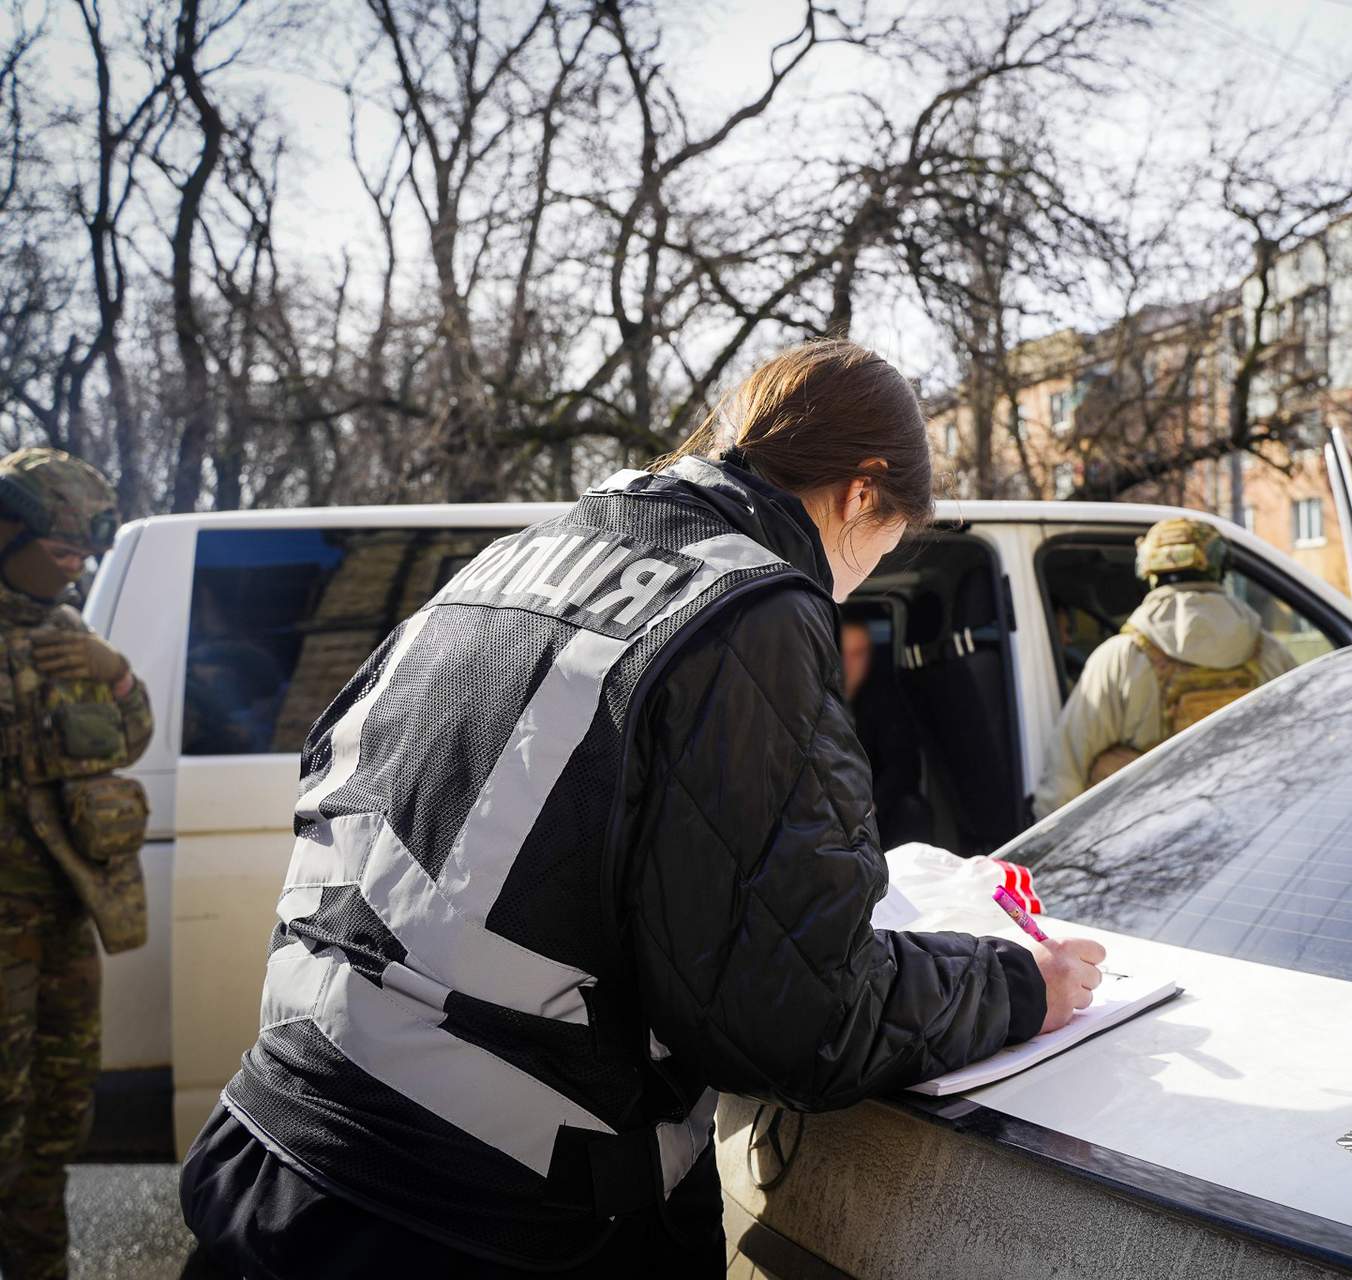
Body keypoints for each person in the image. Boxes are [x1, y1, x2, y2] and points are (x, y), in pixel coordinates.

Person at [178, 339, 1106, 1278]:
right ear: (864, 493)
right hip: (487, 1212)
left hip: (280, 1148)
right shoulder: (753, 607)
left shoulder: (510, 561)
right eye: (884, 548)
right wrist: (1022, 985)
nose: (856, 584)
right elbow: (797, 1015)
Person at [0, 448, 152, 1280]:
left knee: (58, 1115)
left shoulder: (66, 633)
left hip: (61, 918)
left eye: (81, 554)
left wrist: (119, 676)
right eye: (62, 550)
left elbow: (129, 739)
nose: (76, 566)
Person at [1034, 516, 1293, 817]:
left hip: (1149, 851)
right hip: (1254, 837)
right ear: (1220, 566)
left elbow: (1065, 776)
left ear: (1149, 571)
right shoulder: (1271, 654)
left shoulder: (1120, 658)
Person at [839, 617, 934, 847]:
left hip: (873, 806)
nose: (850, 662)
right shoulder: (811, 700)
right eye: (844, 653)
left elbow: (904, 764)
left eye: (859, 653)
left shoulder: (884, 703)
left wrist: (872, 802)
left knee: (912, 809)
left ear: (870, 657)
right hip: (825, 809)